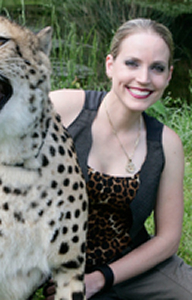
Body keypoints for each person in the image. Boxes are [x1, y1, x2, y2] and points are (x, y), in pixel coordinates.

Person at [44, 18, 192, 299]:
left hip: (128, 265)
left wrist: (100, 279)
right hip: (53, 260)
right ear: (110, 65)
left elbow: (168, 239)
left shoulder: (167, 144)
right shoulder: (63, 109)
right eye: (132, 63)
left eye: (157, 68)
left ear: (169, 75)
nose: (144, 78)